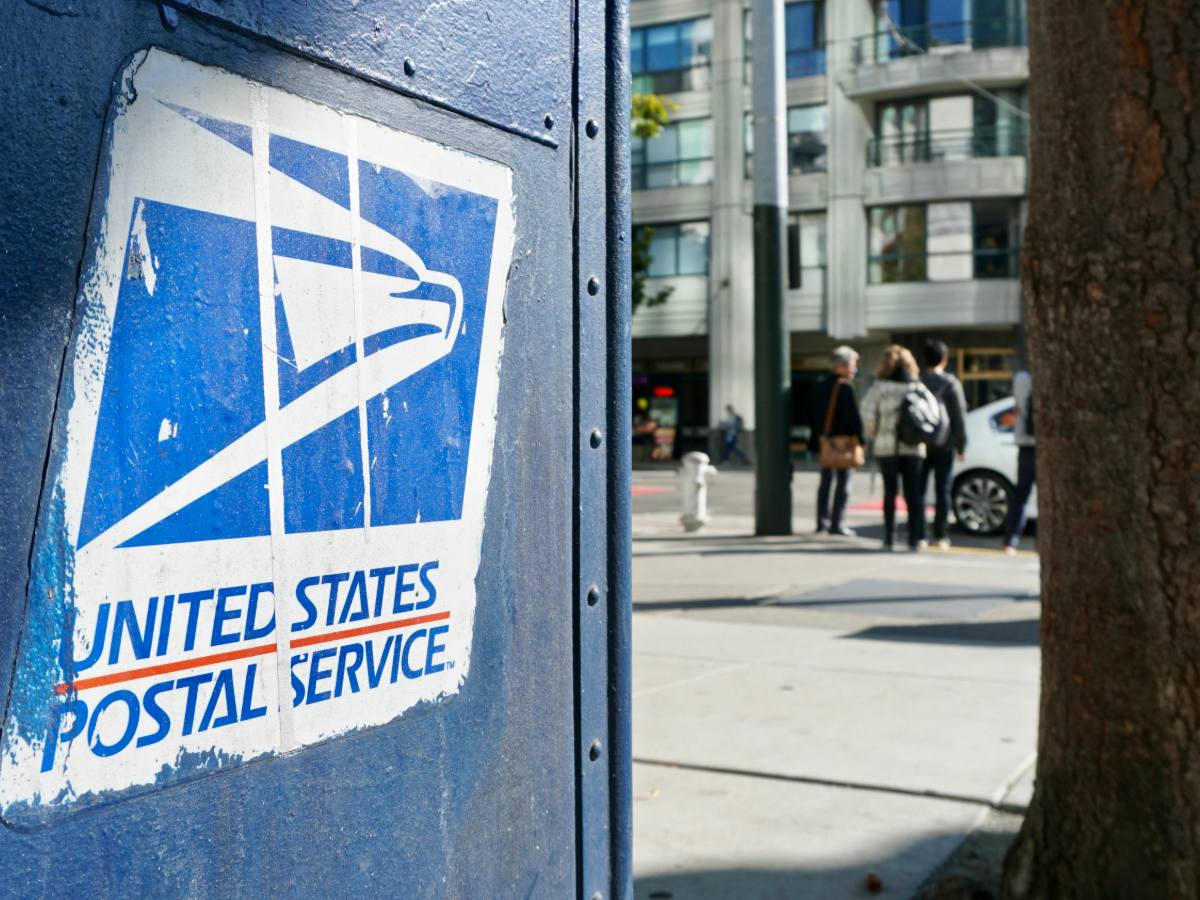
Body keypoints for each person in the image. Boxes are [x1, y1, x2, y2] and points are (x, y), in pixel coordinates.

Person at [861, 345, 936, 551]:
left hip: (887, 448)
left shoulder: (879, 388)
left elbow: (867, 416)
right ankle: (916, 538)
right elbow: (933, 414)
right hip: (913, 447)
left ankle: (889, 538)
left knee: (890, 493)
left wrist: (875, 432)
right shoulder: (917, 388)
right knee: (914, 494)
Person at [810, 346, 865, 536]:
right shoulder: (845, 387)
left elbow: (813, 417)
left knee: (825, 481)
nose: (854, 370)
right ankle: (837, 523)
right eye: (852, 365)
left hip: (824, 442)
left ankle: (821, 522)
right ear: (841, 366)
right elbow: (854, 418)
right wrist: (862, 439)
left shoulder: (819, 385)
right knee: (844, 483)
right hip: (844, 443)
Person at [920, 340, 968, 549]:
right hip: (944, 443)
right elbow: (959, 417)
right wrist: (961, 445)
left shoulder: (916, 380)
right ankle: (941, 535)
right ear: (944, 359)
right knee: (943, 490)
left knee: (918, 490)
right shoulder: (950, 383)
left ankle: (919, 533)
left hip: (919, 444)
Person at [1003, 369, 1036, 553]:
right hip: (1046, 444)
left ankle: (1011, 540)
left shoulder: (1023, 379)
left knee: (1021, 495)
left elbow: (1017, 408)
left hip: (1026, 445)